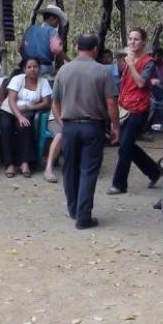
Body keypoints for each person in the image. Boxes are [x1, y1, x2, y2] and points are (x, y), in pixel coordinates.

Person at [53, 34, 120, 229]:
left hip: (69, 126)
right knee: (88, 170)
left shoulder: (64, 70)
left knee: (69, 169)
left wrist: (62, 122)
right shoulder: (103, 71)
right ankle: (83, 216)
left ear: (77, 48)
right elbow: (111, 102)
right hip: (93, 126)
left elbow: (55, 102)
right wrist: (116, 126)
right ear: (95, 49)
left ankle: (73, 209)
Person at [107, 28, 163, 195]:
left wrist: (131, 64)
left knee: (124, 147)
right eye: (130, 38)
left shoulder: (148, 62)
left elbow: (141, 83)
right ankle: (154, 171)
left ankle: (119, 184)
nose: (132, 42)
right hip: (125, 107)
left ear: (144, 42)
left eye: (136, 39)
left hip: (139, 109)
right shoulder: (127, 57)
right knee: (127, 145)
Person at [0, 57, 53, 178]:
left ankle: (25, 163)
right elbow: (11, 100)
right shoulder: (17, 79)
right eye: (29, 67)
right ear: (24, 69)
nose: (32, 69)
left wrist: (30, 107)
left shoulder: (43, 82)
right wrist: (19, 116)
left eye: (35, 66)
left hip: (27, 112)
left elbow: (46, 102)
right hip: (9, 110)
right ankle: (9, 164)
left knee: (25, 127)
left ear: (39, 68)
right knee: (6, 127)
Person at [21, 4, 67, 77]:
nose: (57, 24)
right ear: (52, 18)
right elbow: (57, 49)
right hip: (44, 67)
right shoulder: (51, 31)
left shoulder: (30, 29)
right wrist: (69, 61)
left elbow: (20, 48)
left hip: (28, 67)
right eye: (57, 20)